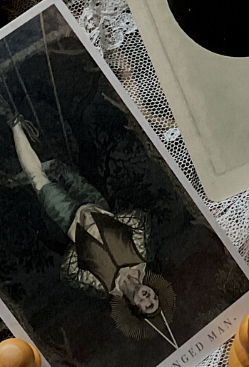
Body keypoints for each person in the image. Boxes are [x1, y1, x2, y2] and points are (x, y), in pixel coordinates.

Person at [10, 117, 175, 344]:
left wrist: (83, 240)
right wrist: (109, 221)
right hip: (96, 204)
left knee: (38, 180)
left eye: (147, 305)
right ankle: (25, 170)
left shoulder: (102, 285)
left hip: (69, 219)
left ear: (134, 306)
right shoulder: (143, 256)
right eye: (154, 298)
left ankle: (15, 124)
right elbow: (139, 220)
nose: (150, 298)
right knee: (58, 167)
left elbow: (70, 272)